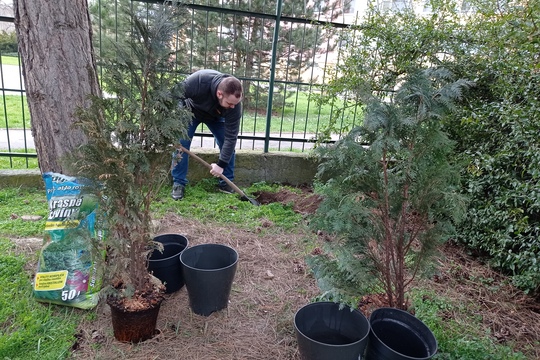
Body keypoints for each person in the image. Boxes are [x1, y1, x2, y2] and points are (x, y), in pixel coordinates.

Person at [171, 69, 243, 200]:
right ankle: (178, 183)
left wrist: (220, 165)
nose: (233, 107)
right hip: (191, 111)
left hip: (216, 116)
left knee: (226, 142)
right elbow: (175, 95)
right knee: (182, 144)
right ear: (219, 94)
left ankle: (226, 183)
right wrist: (180, 114)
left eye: (235, 104)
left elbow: (231, 137)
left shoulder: (234, 106)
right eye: (230, 103)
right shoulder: (198, 81)